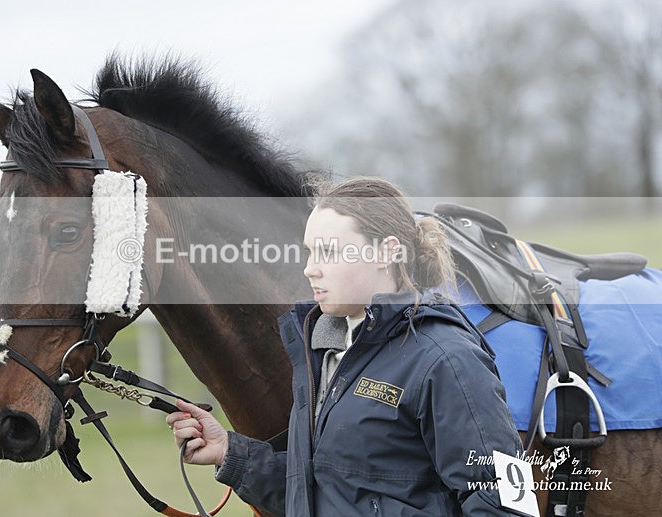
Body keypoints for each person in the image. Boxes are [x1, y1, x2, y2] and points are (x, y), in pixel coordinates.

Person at [167, 177, 523, 516]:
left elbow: (505, 501)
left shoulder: (446, 359)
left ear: (386, 252)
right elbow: (329, 490)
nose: (310, 269)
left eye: (328, 252)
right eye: (308, 253)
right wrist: (230, 453)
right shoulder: (328, 353)